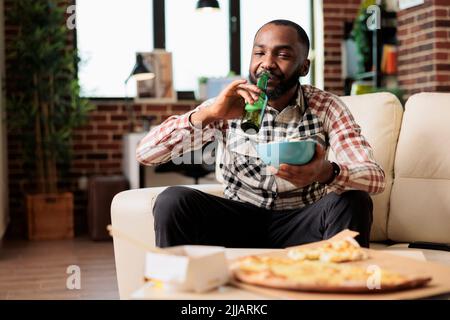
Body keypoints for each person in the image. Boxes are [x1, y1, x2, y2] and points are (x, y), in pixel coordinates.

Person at [136, 19, 385, 249]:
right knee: (173, 200)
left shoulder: (326, 106)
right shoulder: (227, 104)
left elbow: (375, 178)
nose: (267, 63)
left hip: (301, 222)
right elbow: (146, 154)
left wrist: (326, 172)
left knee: (354, 200)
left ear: (304, 67)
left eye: (283, 54)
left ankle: (343, 293)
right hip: (236, 220)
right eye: (259, 53)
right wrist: (209, 115)